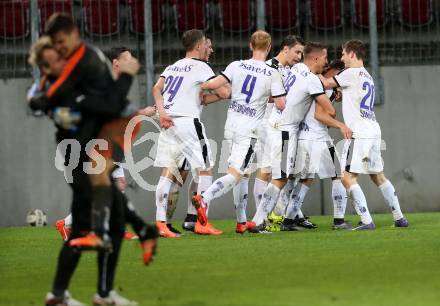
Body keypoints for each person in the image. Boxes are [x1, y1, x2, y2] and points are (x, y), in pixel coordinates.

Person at [192, 30, 287, 233]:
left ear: (250, 46)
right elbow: (280, 104)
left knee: (242, 175)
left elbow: (213, 84)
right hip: (250, 130)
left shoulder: (236, 65)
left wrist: (199, 86)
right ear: (269, 48)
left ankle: (241, 221)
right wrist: (271, 96)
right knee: (236, 174)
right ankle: (204, 198)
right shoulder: (272, 73)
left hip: (231, 126)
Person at [251, 42, 352, 232]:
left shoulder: (296, 68)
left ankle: (275, 219)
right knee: (282, 178)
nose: (326, 61)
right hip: (286, 131)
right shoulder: (312, 81)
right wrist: (327, 99)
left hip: (274, 125)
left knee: (290, 177)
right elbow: (328, 111)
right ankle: (262, 221)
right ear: (315, 58)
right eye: (324, 57)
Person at [319, 39, 409, 230]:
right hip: (373, 129)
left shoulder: (350, 73)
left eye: (343, 53)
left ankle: (367, 220)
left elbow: (326, 83)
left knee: (347, 177)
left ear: (352, 53)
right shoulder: (367, 75)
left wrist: (308, 73)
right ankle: (399, 218)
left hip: (358, 132)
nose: (342, 57)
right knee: (378, 176)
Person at [152, 29, 229, 237]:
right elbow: (223, 92)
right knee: (206, 168)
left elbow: (156, 89)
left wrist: (161, 113)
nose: (209, 49)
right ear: (198, 46)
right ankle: (201, 221)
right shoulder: (200, 66)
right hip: (188, 122)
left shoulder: (173, 66)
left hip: (169, 123)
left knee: (169, 173)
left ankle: (160, 222)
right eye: (207, 44)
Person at [280, 59, 352, 230]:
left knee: (305, 179)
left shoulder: (314, 80)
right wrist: (340, 124)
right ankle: (339, 221)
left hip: (303, 135)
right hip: (317, 137)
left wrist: (336, 93)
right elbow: (321, 115)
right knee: (338, 176)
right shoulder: (322, 88)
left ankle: (288, 220)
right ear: (335, 72)